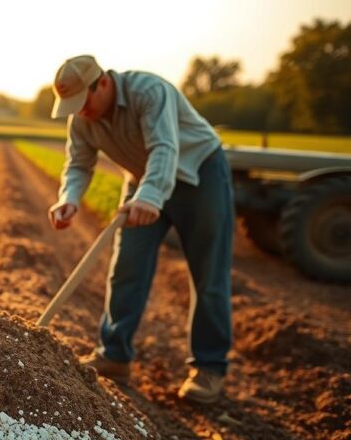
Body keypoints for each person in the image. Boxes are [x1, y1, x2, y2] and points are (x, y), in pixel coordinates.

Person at [46, 55, 234, 403]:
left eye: (83, 102)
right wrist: (69, 198)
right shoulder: (82, 120)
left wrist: (150, 198)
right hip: (142, 179)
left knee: (209, 273)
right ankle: (114, 355)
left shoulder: (149, 91)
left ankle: (209, 367)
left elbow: (165, 148)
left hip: (198, 174)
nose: (81, 112)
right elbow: (78, 164)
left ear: (102, 82)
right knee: (126, 265)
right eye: (72, 106)